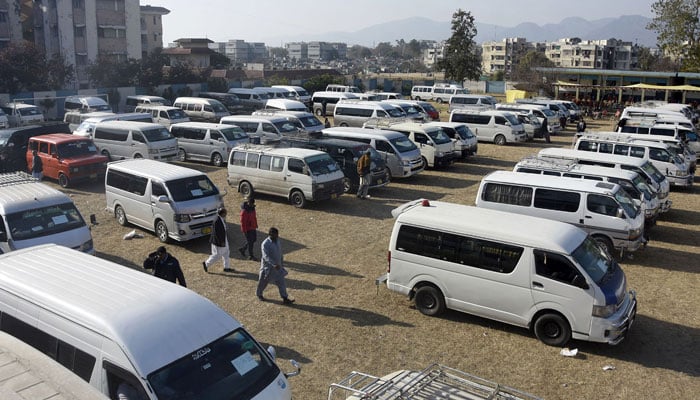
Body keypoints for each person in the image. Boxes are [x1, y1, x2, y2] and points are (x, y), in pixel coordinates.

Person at [256, 227, 294, 304]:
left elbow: (280, 253)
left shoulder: (277, 241)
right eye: (275, 235)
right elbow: (265, 256)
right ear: (270, 234)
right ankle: (259, 294)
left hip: (278, 268)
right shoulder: (265, 244)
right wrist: (273, 264)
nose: (277, 236)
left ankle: (285, 298)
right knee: (263, 282)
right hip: (268, 268)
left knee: (281, 283)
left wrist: (281, 263)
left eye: (277, 234)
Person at [203, 207, 233, 273]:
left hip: (224, 239)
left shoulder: (221, 219)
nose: (226, 214)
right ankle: (206, 264)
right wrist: (221, 242)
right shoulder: (217, 221)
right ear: (222, 214)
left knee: (226, 252)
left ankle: (226, 267)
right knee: (217, 255)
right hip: (219, 242)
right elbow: (216, 234)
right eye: (225, 213)